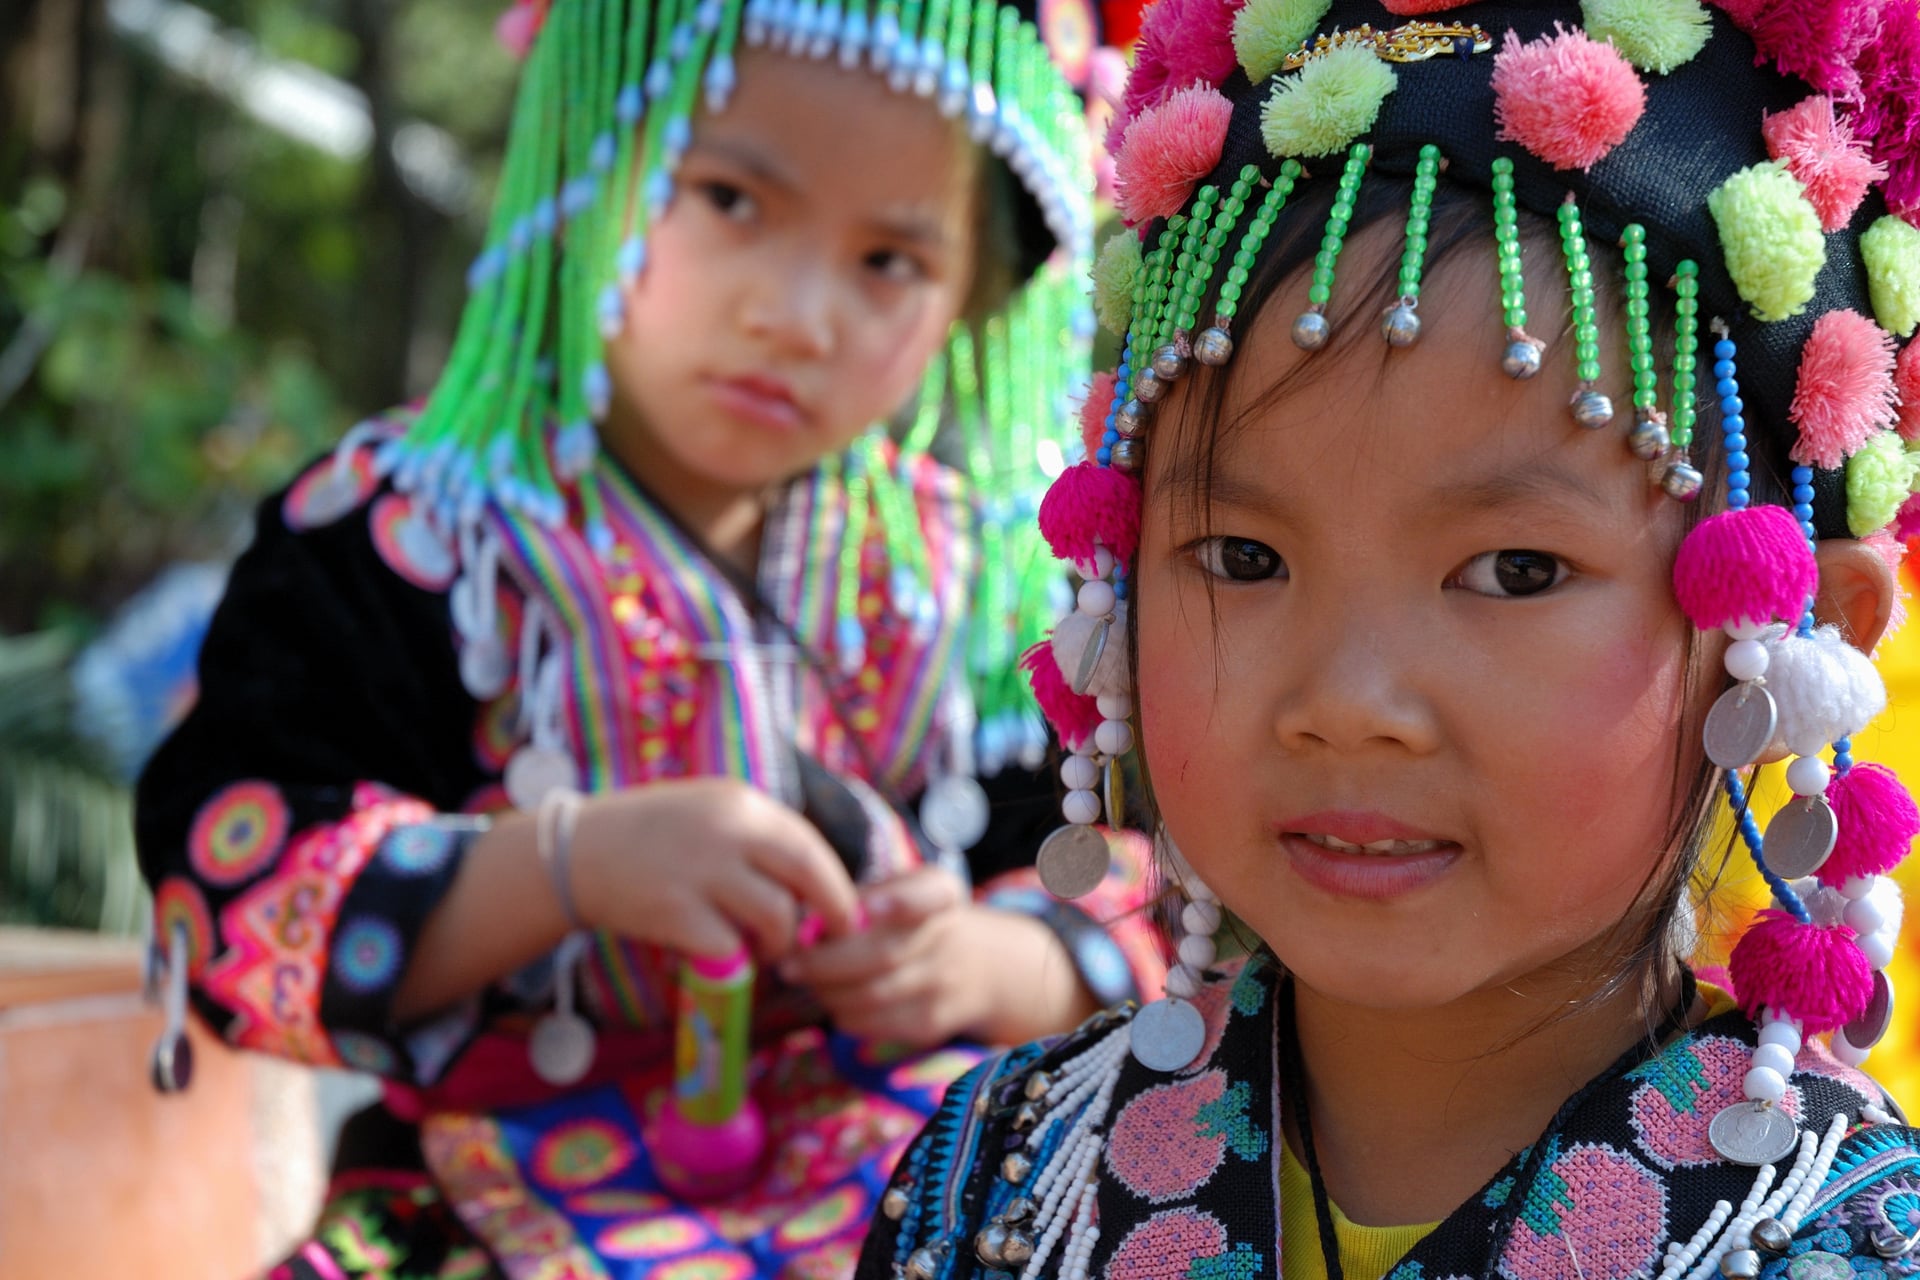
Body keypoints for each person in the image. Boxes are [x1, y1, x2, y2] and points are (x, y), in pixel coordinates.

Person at [858, 2, 1920, 1278]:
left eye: (1514, 570)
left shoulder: (1841, 1240)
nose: (1347, 699)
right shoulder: (1001, 1175)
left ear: (1798, 627)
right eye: (1244, 559)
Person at [131, 0, 1173, 1272]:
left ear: (974, 297)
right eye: (731, 199)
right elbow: (229, 871)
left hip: (913, 1178)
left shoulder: (981, 583)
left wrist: (990, 961)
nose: (797, 313)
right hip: (485, 1192)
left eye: (889, 262)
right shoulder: (411, 534)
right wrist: (562, 866)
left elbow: (1130, 859)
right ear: (583, 157)